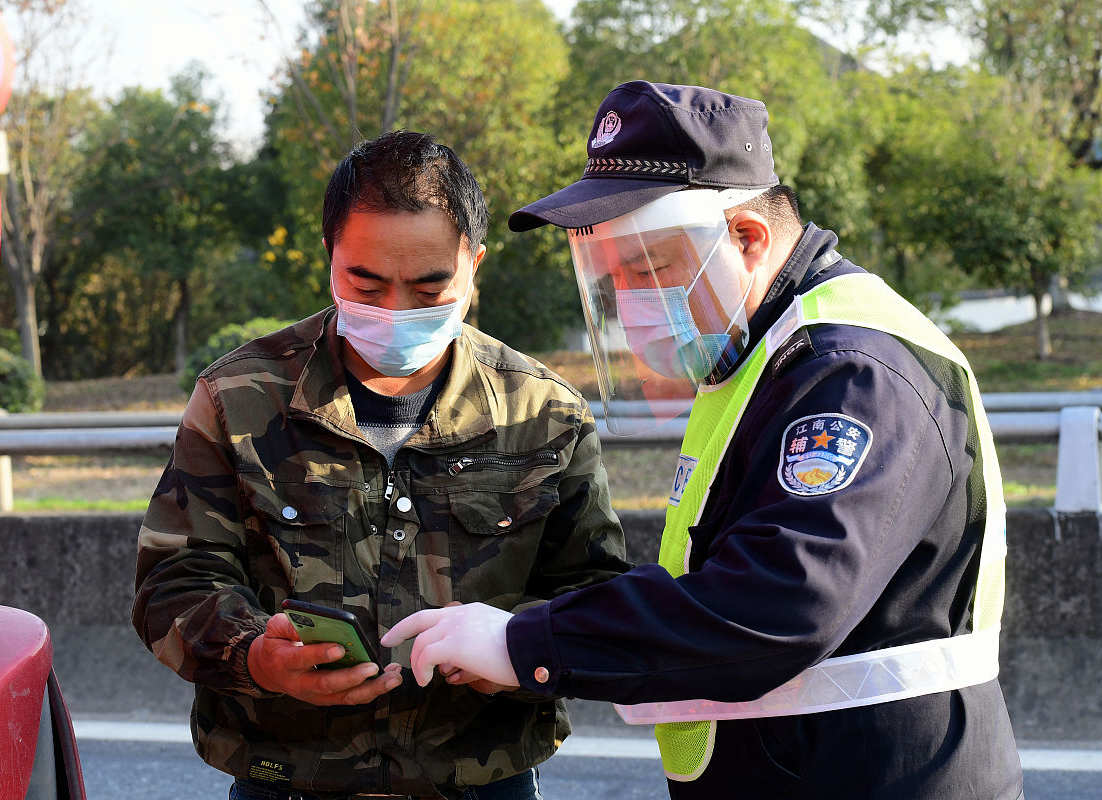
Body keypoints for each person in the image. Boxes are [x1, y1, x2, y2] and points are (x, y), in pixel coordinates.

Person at [382, 82, 1025, 799]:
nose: (631, 307)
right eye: (615, 279)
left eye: (650, 269)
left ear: (747, 238)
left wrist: (525, 644)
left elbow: (779, 602)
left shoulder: (849, 371)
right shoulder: (763, 353)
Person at [131, 129, 630, 800]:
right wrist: (256, 655)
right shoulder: (240, 398)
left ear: (474, 266)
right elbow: (172, 580)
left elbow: (596, 592)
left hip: (482, 780)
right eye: (364, 285)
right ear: (330, 259)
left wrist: (520, 647)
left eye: (429, 290)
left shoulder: (544, 413)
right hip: (288, 777)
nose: (394, 312)